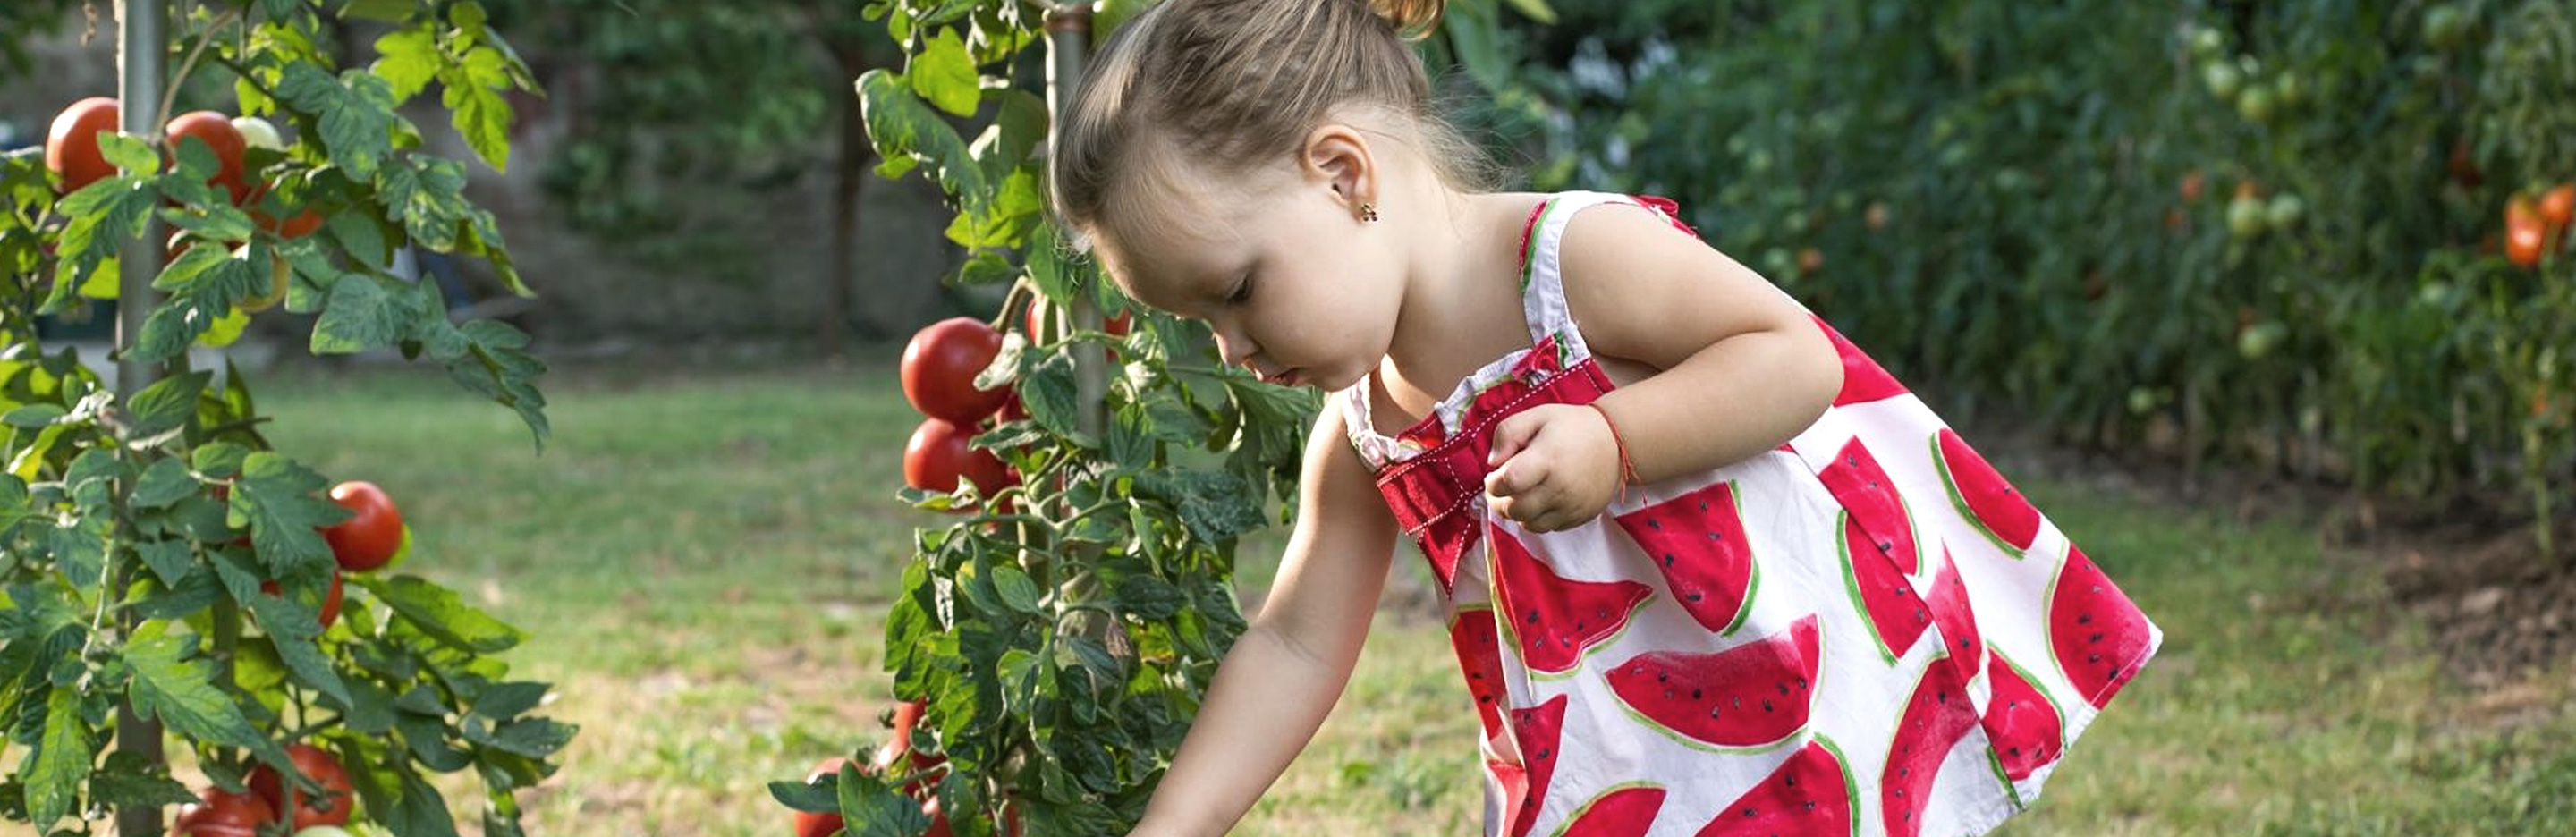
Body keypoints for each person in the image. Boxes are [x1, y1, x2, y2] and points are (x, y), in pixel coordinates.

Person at [1045, 2, 2162, 835]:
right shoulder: (1364, 424)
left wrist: (1616, 441)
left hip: (1797, 689)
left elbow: (1795, 360)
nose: (1230, 349)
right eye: (1195, 319)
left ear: (1342, 176)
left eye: (1234, 292)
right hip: (1622, 758)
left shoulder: (1569, 260)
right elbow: (1292, 642)